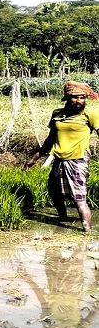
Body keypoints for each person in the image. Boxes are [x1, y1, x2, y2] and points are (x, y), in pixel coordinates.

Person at [24, 80, 99, 233]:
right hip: (59, 159)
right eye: (75, 97)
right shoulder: (57, 114)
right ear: (67, 98)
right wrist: (34, 158)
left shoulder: (90, 115)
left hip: (78, 159)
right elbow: (50, 139)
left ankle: (88, 232)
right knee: (56, 193)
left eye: (82, 97)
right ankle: (62, 220)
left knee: (79, 199)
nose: (79, 101)